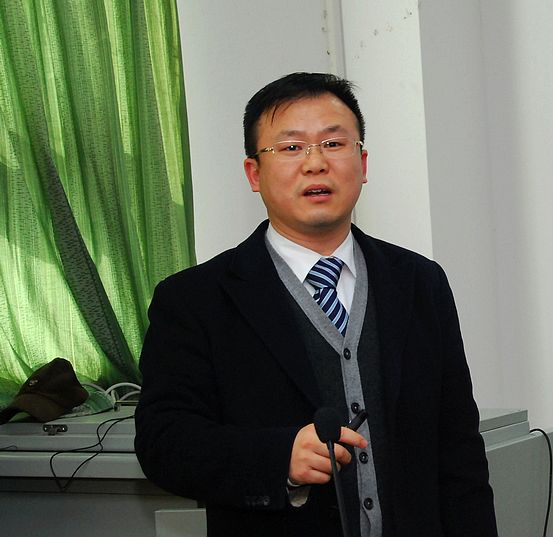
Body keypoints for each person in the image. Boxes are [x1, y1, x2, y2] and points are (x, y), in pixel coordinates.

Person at [135, 72, 497, 537]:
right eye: (291, 147)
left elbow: (459, 449)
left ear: (362, 163)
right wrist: (278, 458)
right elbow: (164, 444)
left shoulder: (419, 282)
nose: (315, 163)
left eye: (333, 144)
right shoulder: (194, 299)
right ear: (253, 173)